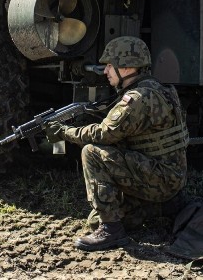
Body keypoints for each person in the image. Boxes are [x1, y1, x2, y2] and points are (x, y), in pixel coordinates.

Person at [44, 36, 189, 252]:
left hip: (161, 177)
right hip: (170, 176)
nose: (105, 71)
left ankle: (111, 231)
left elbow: (104, 134)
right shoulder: (157, 88)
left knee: (91, 152)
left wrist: (65, 132)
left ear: (128, 67)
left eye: (110, 65)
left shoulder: (137, 99)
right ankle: (164, 206)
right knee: (94, 219)